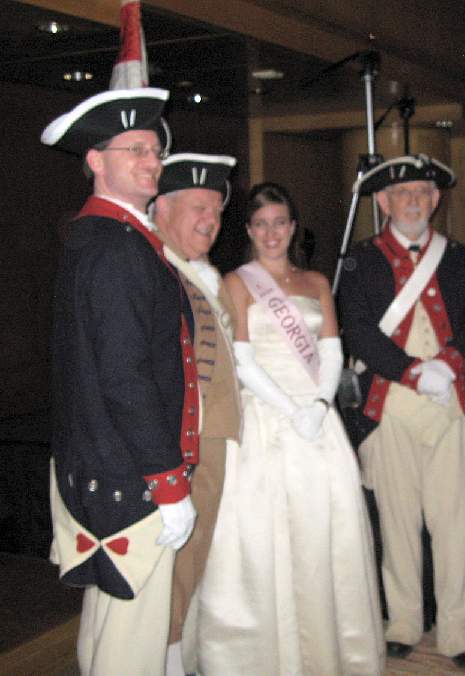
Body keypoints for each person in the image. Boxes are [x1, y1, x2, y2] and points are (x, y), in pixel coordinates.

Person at [196, 182, 384, 675]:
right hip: (267, 421)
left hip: (317, 422)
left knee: (328, 535)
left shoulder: (318, 281)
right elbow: (242, 357)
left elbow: (331, 352)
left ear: (293, 227)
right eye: (261, 224)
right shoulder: (236, 282)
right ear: (249, 231)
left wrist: (320, 404)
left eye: (280, 222)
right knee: (267, 538)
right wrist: (289, 408)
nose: (271, 232)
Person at [41, 88, 198, 676]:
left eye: (155, 148)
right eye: (134, 149)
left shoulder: (106, 239)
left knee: (110, 615)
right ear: (96, 161)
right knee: (133, 638)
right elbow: (125, 378)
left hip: (105, 463)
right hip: (128, 473)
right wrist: (168, 481)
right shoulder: (119, 250)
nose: (152, 159)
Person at [338, 154, 465, 670]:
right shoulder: (360, 261)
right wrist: (411, 370)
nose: (414, 202)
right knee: (397, 521)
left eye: (423, 192)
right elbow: (355, 329)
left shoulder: (460, 258)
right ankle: (402, 621)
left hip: (449, 405)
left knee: (454, 523)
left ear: (436, 200)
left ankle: (458, 630)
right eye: (403, 194)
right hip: (390, 403)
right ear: (383, 203)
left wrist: (448, 362)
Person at [149, 153, 243, 676]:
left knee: (203, 560)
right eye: (198, 207)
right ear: (162, 209)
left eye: (216, 211)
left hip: (215, 444)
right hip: (185, 447)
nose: (210, 220)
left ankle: (185, 653)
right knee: (178, 568)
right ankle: (166, 660)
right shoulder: (159, 271)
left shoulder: (202, 275)